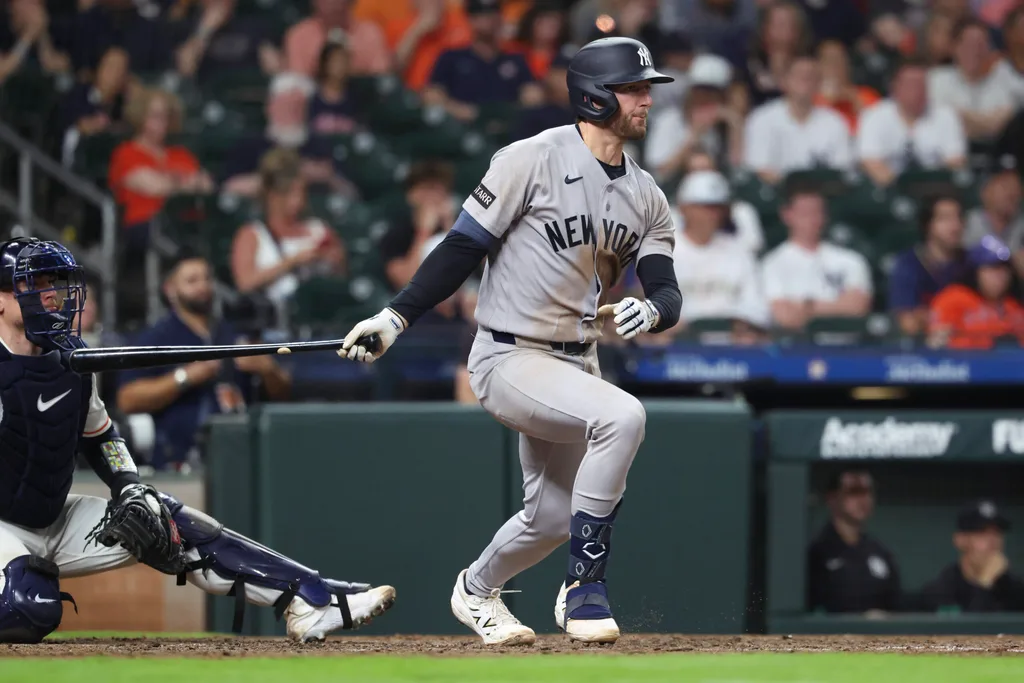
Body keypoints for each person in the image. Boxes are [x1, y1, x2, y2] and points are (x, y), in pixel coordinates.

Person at [339, 37, 682, 646]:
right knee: (624, 416)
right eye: (634, 88)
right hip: (509, 355)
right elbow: (463, 247)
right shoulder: (531, 157)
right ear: (596, 95)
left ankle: (474, 589)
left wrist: (650, 311)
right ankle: (585, 586)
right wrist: (395, 318)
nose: (647, 99)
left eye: (645, 87)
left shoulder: (647, 196)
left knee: (551, 518)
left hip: (578, 364)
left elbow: (667, 292)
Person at [0, 237, 394, 644]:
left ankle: (313, 597)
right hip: (2, 525)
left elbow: (101, 436)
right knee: (28, 605)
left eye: (54, 282)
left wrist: (128, 484)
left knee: (162, 520)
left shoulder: (72, 359)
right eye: (33, 284)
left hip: (52, 517)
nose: (50, 295)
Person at [117, 251, 292, 470]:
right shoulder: (156, 338)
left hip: (241, 454)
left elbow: (283, 393)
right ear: (170, 289)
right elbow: (127, 399)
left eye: (207, 278)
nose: (203, 286)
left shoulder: (233, 333)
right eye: (192, 280)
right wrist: (184, 378)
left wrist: (268, 370)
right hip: (179, 462)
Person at [230, 148, 347, 309]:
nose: (296, 201)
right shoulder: (252, 234)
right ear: (271, 195)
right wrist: (292, 261)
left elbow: (342, 276)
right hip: (276, 319)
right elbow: (245, 283)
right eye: (289, 194)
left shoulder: (318, 229)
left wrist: (334, 260)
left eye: (300, 193)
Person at [760, 181, 873, 330]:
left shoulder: (851, 260)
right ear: (787, 215)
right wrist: (837, 305)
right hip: (797, 347)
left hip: (845, 345)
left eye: (818, 212)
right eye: (805, 213)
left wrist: (807, 306)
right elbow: (784, 316)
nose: (813, 219)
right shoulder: (772, 264)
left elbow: (858, 307)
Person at [667, 170, 769, 333]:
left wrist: (743, 323)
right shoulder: (663, 251)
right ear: (684, 208)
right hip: (681, 345)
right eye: (704, 207)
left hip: (731, 345)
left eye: (717, 208)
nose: (712, 215)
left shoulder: (740, 250)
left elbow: (757, 307)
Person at [856, 57, 967, 187]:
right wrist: (901, 189)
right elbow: (870, 161)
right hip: (888, 188)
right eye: (911, 84)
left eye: (921, 85)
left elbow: (955, 162)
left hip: (935, 188)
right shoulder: (874, 115)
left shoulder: (946, 116)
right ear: (895, 87)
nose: (917, 91)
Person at [743, 53, 853, 185]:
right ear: (784, 81)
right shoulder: (761, 118)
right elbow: (759, 168)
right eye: (799, 76)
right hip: (775, 194)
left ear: (819, 84)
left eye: (811, 77)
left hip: (823, 196)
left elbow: (840, 170)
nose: (805, 80)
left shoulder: (834, 121)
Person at [807, 470, 903, 614]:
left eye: (867, 491)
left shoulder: (879, 551)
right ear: (832, 498)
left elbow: (897, 603)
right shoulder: (817, 552)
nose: (863, 499)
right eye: (854, 492)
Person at [917, 500, 1024, 612]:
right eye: (982, 533)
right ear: (960, 541)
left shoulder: (1015, 589)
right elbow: (969, 628)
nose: (992, 542)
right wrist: (985, 583)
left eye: (997, 533)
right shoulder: (941, 590)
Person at [888, 193, 968, 336]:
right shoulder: (909, 264)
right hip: (924, 349)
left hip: (972, 346)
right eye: (945, 219)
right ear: (928, 225)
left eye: (958, 218)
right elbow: (907, 323)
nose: (955, 226)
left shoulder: (971, 263)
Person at [928, 235, 1024, 349]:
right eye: (992, 268)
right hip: (964, 364)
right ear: (975, 272)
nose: (1000, 275)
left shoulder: (1014, 306)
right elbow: (935, 344)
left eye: (1004, 268)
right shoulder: (953, 299)